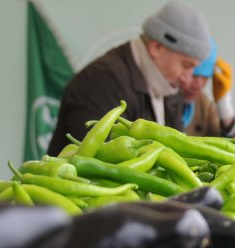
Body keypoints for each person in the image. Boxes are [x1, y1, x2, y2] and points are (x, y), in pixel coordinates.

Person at [46, 1, 211, 156]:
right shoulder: (101, 82)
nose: (188, 79)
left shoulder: (169, 86)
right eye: (186, 66)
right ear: (157, 47)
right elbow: (98, 162)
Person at [181, 38, 235, 138]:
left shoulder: (203, 105)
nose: (198, 85)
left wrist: (225, 109)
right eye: (194, 75)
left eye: (205, 76)